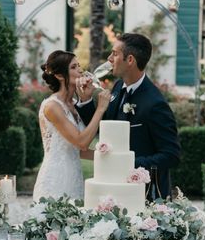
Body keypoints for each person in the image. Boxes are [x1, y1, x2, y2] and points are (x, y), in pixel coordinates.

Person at [76, 33, 180, 198]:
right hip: (114, 188)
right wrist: (86, 100)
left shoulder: (155, 104)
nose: (109, 58)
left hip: (144, 195)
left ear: (130, 60)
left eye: (115, 54)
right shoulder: (118, 87)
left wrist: (127, 163)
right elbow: (105, 130)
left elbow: (171, 155)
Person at [32, 50, 110, 201]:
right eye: (74, 67)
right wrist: (100, 109)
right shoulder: (52, 107)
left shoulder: (74, 104)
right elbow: (81, 142)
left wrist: (110, 158)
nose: (80, 70)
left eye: (79, 66)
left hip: (74, 178)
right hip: (55, 180)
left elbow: (78, 151)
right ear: (60, 75)